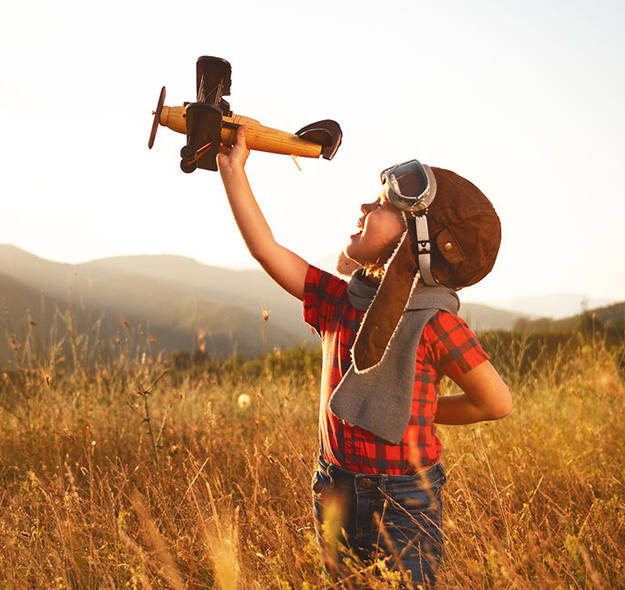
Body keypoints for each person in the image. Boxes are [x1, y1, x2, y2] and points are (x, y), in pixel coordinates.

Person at [216, 133, 513, 587]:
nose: (364, 209)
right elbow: (267, 250)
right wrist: (233, 171)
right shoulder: (340, 300)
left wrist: (424, 411)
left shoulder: (435, 323)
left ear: (419, 242)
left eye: (380, 207)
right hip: (334, 484)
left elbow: (496, 403)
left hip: (405, 500)